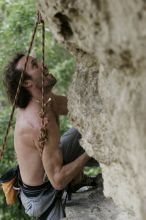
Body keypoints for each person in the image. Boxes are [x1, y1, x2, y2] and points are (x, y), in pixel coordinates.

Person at [3, 53, 101, 220]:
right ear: (27, 83)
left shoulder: (45, 99)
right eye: (35, 65)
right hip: (43, 198)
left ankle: (78, 178)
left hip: (50, 172)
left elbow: (80, 110)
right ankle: (75, 179)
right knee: (92, 140)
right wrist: (91, 149)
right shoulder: (38, 122)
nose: (43, 64)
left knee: (90, 130)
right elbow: (57, 180)